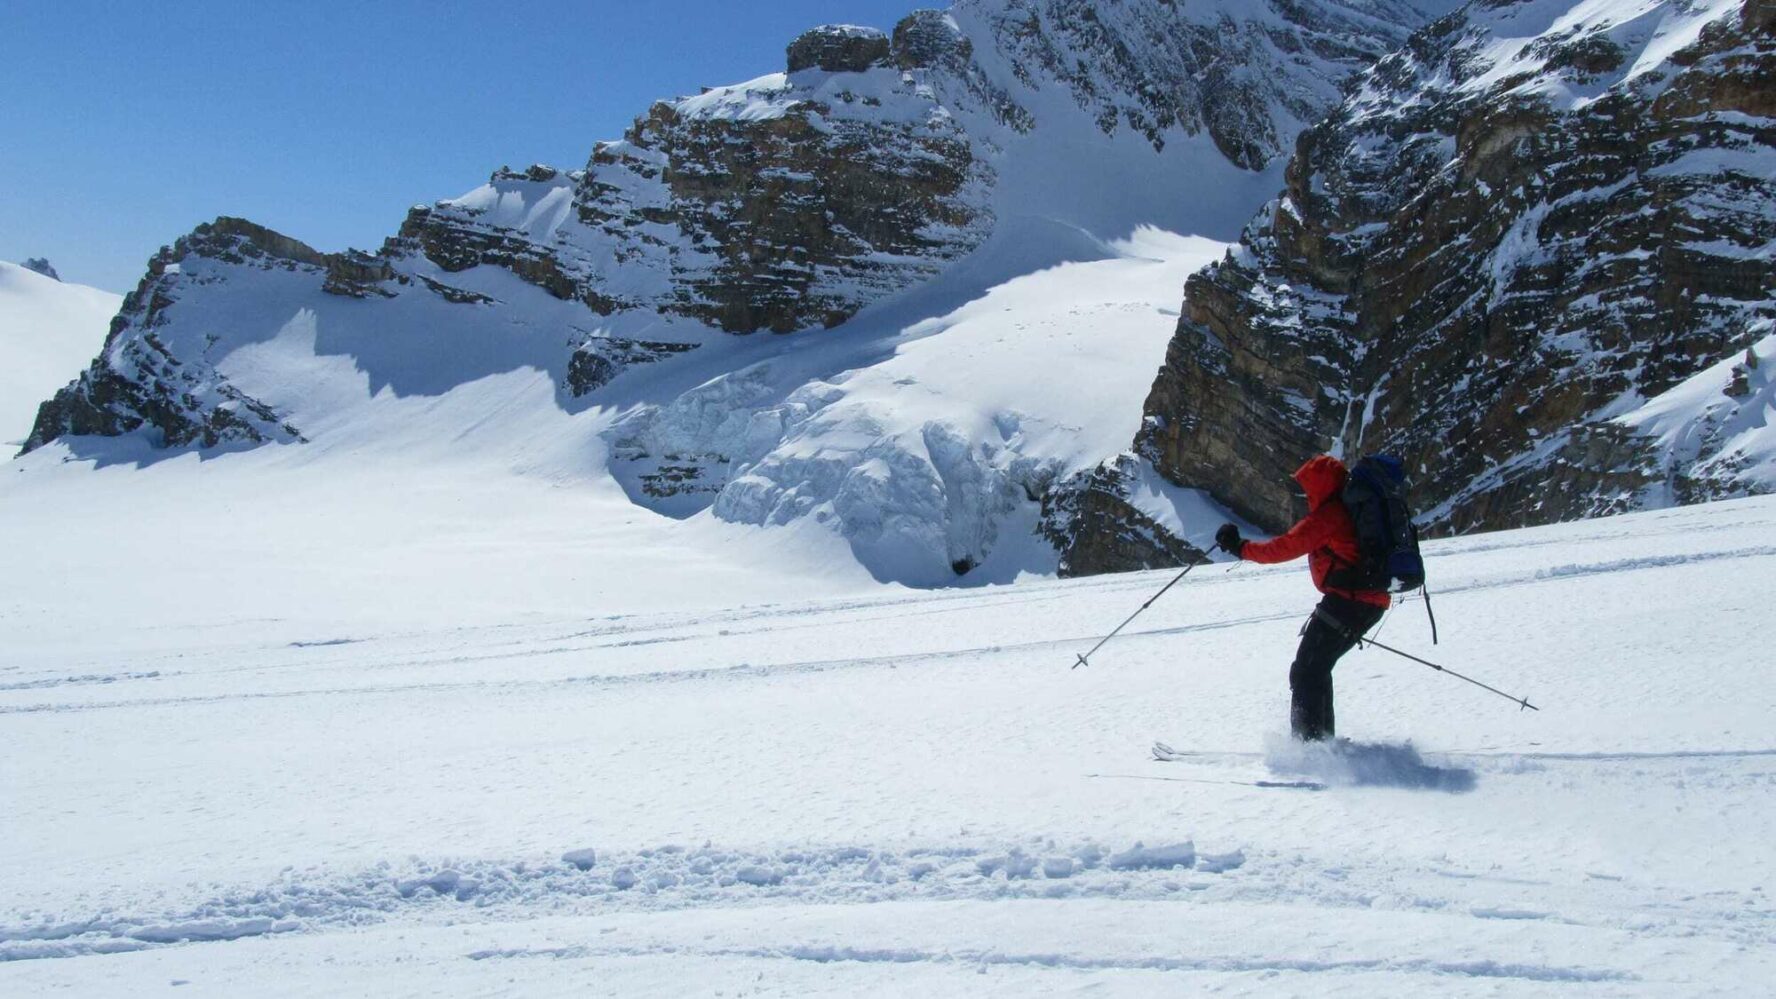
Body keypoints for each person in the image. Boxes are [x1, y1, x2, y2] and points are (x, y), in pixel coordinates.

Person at [1215, 455, 1390, 742]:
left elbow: (1283, 547)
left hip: (1349, 602)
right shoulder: (1348, 509)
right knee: (1317, 667)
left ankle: (1309, 748)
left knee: (1306, 671)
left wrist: (1239, 547)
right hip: (1366, 601)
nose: (1305, 493)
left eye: (1308, 486)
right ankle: (1321, 743)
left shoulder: (1329, 516)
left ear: (1320, 485)